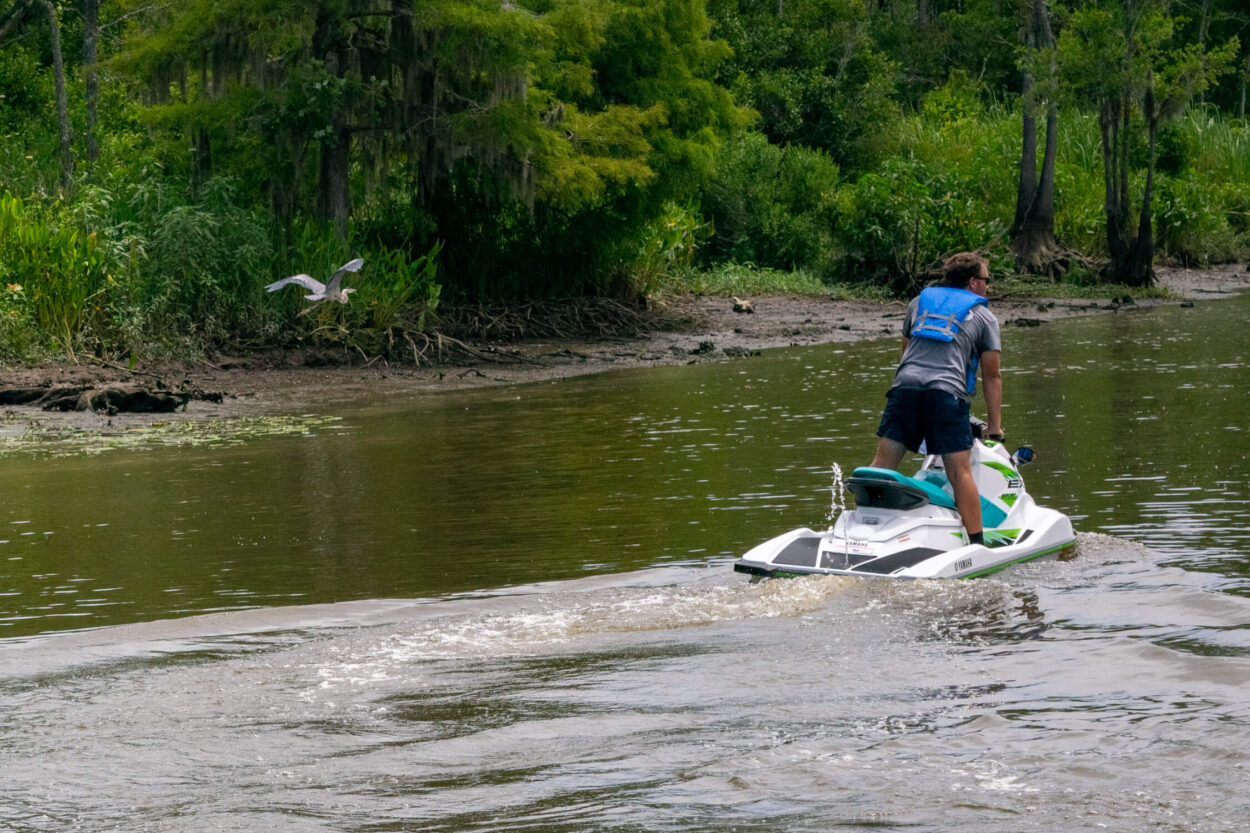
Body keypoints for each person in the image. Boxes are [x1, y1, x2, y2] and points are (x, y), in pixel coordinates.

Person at [869, 251, 1003, 545]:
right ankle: (977, 546)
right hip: (945, 395)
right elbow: (992, 376)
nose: (988, 287)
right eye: (986, 280)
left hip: (904, 389)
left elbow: (905, 352)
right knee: (959, 472)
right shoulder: (984, 317)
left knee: (881, 465)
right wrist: (995, 427)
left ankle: (862, 532)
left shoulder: (919, 303)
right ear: (972, 283)